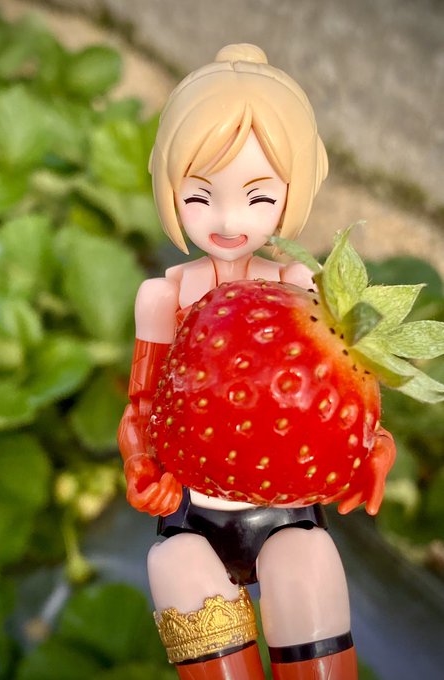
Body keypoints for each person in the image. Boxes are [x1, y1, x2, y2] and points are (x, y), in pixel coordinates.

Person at [118, 43, 359, 680]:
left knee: (308, 563)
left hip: (287, 507)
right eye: (200, 197)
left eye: (258, 198)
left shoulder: (301, 288)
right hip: (192, 510)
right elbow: (142, 404)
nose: (228, 219)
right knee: (174, 569)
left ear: (295, 193)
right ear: (169, 189)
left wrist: (371, 444)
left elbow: (338, 386)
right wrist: (141, 460)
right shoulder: (163, 297)